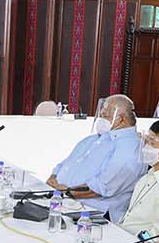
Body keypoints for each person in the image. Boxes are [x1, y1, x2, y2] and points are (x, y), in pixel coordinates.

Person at [47, 94, 145, 224]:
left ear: (121, 120)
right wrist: (53, 179)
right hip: (63, 201)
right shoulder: (95, 139)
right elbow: (65, 164)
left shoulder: (129, 148)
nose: (101, 120)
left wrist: (66, 191)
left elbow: (102, 187)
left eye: (105, 116)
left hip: (89, 216)